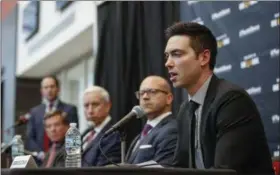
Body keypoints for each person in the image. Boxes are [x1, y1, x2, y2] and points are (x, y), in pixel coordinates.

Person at [164, 22, 273, 173]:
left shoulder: (231, 101)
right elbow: (178, 168)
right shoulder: (185, 110)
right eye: (167, 56)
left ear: (204, 57)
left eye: (177, 54)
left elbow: (225, 171)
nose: (168, 63)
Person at [125, 76, 177, 166]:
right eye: (141, 93)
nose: (145, 97)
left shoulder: (172, 130)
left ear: (169, 98)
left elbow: (163, 168)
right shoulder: (142, 133)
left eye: (152, 92)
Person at [26, 76, 79, 161]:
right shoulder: (34, 112)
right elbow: (30, 137)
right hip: (40, 160)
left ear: (58, 89)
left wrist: (59, 153)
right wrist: (40, 154)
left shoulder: (70, 109)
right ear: (41, 91)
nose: (49, 90)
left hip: (63, 158)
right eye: (46, 87)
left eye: (52, 86)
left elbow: (73, 135)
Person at [82, 86, 121, 166]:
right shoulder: (86, 132)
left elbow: (103, 170)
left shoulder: (113, 135)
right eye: (86, 105)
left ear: (108, 106)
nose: (90, 110)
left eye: (95, 104)